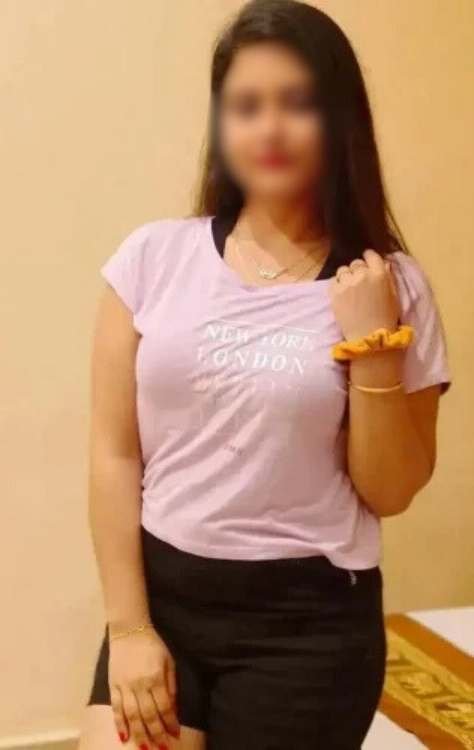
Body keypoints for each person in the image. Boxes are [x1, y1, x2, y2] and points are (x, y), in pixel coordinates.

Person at [78, 1, 452, 748]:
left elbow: (391, 491)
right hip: (164, 605)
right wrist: (129, 629)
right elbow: (115, 455)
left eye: (297, 103)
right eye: (247, 106)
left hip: (307, 630)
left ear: (339, 118)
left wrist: (373, 344)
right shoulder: (152, 259)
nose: (270, 129)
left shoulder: (392, 285)